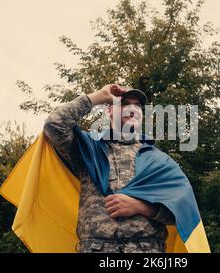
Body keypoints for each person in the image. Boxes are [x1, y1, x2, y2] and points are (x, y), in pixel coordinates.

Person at [43, 84, 176, 253]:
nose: (133, 108)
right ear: (110, 111)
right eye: (125, 103)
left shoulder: (158, 160)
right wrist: (98, 96)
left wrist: (142, 207)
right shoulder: (88, 149)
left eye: (138, 105)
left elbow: (181, 212)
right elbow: (54, 125)